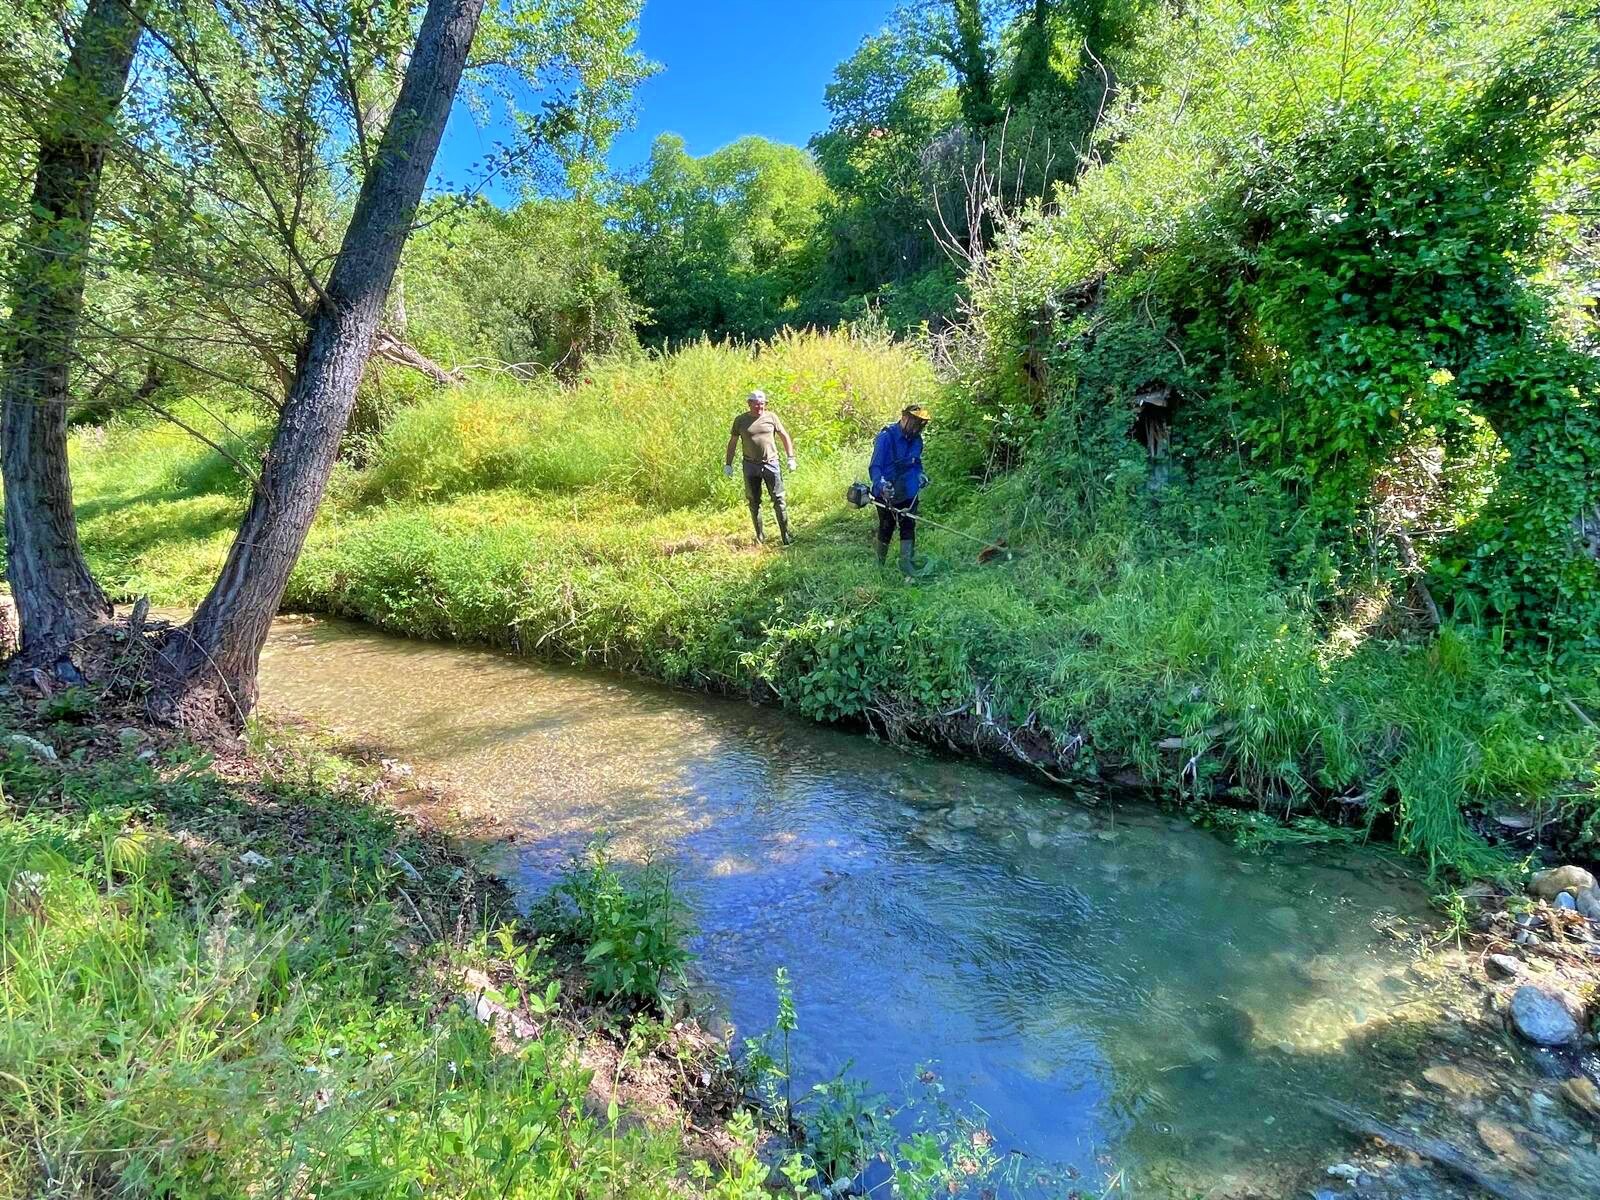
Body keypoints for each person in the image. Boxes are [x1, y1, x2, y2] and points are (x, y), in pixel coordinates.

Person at [724, 388, 796, 544]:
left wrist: (791, 457)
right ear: (749, 404)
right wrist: (728, 464)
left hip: (771, 464)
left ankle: (785, 535)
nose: (760, 407)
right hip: (750, 465)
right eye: (756, 404)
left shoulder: (771, 417)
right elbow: (733, 442)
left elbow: (784, 435)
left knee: (779, 500)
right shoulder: (741, 421)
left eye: (762, 404)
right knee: (754, 501)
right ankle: (760, 536)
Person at [869, 403, 930, 573]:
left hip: (908, 491)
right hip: (886, 491)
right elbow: (875, 467)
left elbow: (916, 464)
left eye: (920, 424)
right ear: (904, 418)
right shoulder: (886, 437)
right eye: (915, 423)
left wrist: (920, 475)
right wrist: (882, 485)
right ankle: (879, 566)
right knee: (886, 526)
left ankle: (906, 565)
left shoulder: (917, 440)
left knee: (908, 525)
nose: (917, 428)